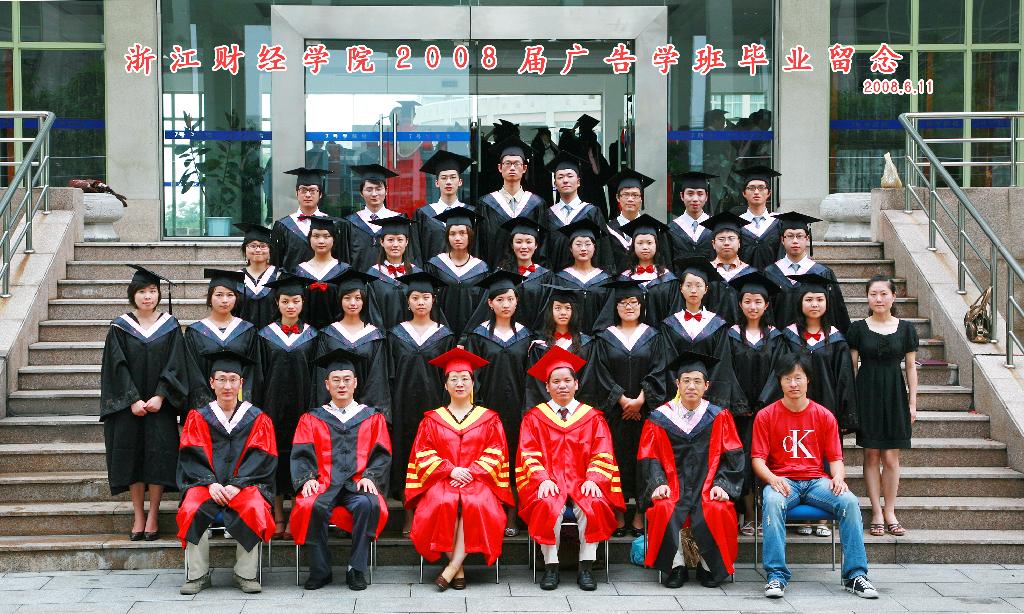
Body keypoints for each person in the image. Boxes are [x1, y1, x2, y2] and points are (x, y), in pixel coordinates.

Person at [751, 353, 879, 600]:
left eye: (798, 378)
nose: (793, 384)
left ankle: (855, 575)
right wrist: (772, 479)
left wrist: (838, 478)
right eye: (788, 379)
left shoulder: (823, 415)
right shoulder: (766, 415)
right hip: (783, 481)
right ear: (780, 382)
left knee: (849, 501)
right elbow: (758, 460)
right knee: (773, 501)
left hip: (816, 481)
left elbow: (836, 459)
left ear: (808, 380)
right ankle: (776, 575)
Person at [517, 346, 626, 591]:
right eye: (556, 382)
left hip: (583, 481)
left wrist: (594, 479)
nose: (562, 386)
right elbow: (527, 452)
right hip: (549, 481)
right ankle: (551, 567)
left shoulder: (593, 418)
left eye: (567, 381)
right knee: (547, 504)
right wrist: (542, 479)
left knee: (593, 503)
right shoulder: (534, 418)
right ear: (547, 387)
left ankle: (586, 567)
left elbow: (603, 452)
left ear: (576, 384)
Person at [406, 348, 514, 590]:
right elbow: (422, 452)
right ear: (445, 386)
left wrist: (472, 471)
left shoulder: (489, 418)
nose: (459, 383)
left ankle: (452, 568)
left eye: (465, 378)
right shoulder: (432, 419)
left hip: (479, 480)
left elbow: (497, 451)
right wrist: (450, 470)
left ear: (473, 383)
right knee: (443, 503)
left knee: (475, 503)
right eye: (453, 379)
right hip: (442, 479)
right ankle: (459, 569)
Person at [639, 351, 744, 588]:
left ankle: (708, 567)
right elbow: (649, 456)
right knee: (664, 507)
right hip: (673, 487)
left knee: (717, 508)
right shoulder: (659, 418)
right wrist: (658, 483)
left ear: (706, 386)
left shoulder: (719, 416)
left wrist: (722, 485)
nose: (691, 386)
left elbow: (733, 456)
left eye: (697, 381)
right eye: (686, 380)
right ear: (677, 384)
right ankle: (677, 567)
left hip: (707, 487)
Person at [289, 348, 392, 591]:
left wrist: (371, 476)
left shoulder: (372, 417)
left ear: (355, 383)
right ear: (327, 384)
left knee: (368, 503)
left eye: (347, 379)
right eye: (336, 380)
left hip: (357, 483)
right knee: (310, 505)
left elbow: (382, 453)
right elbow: (301, 452)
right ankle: (320, 570)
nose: (342, 385)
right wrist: (307, 478)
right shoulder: (312, 418)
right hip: (324, 483)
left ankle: (356, 569)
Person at [176, 350, 277, 595]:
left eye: (233, 380)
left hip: (244, 486)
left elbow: (263, 457)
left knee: (254, 506)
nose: (228, 386)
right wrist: (210, 483)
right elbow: (190, 455)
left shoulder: (257, 418)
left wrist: (238, 484)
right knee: (191, 507)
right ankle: (197, 575)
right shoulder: (198, 417)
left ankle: (245, 574)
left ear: (241, 383)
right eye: (221, 379)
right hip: (206, 486)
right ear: (212, 383)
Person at [100, 265, 188, 541]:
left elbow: (176, 364)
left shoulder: (170, 326)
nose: (147, 296)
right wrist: (133, 400)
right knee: (133, 459)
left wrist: (161, 396)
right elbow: (116, 366)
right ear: (133, 295)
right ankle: (138, 514)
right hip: (130, 409)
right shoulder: (119, 326)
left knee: (158, 459)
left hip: (160, 407)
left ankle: (153, 515)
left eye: (152, 291)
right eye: (142, 292)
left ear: (159, 294)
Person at [461, 270, 536, 536]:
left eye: (510, 299)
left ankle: (512, 515)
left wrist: (528, 409)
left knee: (515, 460)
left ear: (517, 302)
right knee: (488, 460)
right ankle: (488, 512)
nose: (506, 304)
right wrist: (476, 409)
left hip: (517, 409)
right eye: (500, 300)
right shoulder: (477, 336)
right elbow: (472, 377)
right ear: (490, 303)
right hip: (486, 410)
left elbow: (531, 378)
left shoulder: (527, 337)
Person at [592, 279, 668, 536]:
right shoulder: (604, 338)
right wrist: (622, 400)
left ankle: (639, 515)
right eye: (623, 302)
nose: (629, 306)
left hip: (645, 414)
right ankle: (618, 513)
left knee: (644, 461)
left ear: (641, 305)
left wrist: (640, 400)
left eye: (634, 302)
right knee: (615, 460)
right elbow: (600, 372)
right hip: (615, 414)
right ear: (615, 307)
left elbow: (659, 369)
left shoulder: (653, 336)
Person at [847, 275, 919, 537]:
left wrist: (912, 402)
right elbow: (852, 368)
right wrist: (851, 403)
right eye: (873, 294)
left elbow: (910, 367)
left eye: (883, 294)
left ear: (893, 297)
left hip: (895, 394)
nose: (878, 299)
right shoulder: (857, 329)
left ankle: (890, 511)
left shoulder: (906, 329)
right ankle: (876, 511)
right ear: (867, 297)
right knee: (871, 455)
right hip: (866, 394)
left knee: (890, 457)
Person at [386, 272, 456, 521]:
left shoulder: (445, 335)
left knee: (434, 454)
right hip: (402, 405)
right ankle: (408, 511)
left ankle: (433, 510)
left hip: (435, 406)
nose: (421, 302)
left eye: (426, 297)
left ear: (433, 300)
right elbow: (389, 374)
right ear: (408, 302)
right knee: (406, 453)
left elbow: (450, 377)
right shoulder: (396, 335)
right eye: (415, 297)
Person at [257, 273, 320, 539]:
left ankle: (296, 513)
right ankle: (278, 515)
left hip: (303, 408)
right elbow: (259, 376)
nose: (290, 306)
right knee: (275, 458)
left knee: (301, 456)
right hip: (272, 408)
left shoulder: (313, 336)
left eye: (295, 301)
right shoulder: (264, 336)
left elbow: (317, 376)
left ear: (303, 303)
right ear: (277, 303)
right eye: (285, 301)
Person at [725, 271, 787, 536]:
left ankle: (766, 513)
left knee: (768, 459)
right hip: (739, 413)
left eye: (758, 301)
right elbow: (726, 371)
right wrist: (739, 402)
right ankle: (749, 514)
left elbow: (778, 373)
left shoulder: (777, 337)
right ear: (740, 304)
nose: (753, 306)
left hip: (768, 411)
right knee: (743, 460)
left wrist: (764, 402)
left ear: (766, 305)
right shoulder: (730, 335)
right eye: (747, 301)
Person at [777, 273, 859, 435]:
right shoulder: (788, 337)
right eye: (808, 299)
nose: (814, 304)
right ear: (800, 303)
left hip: (828, 409)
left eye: (820, 300)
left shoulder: (837, 339)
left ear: (827, 303)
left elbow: (844, 379)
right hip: (793, 408)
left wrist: (845, 415)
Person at [655, 259, 741, 412]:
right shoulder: (670, 324)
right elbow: (667, 362)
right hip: (677, 398)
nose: (693, 290)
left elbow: (722, 365)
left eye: (698, 285)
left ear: (706, 289)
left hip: (709, 401)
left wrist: (706, 396)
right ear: (681, 288)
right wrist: (681, 392)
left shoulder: (717, 324)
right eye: (688, 285)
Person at [314, 269, 392, 418]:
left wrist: (366, 413)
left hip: (365, 414)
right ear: (340, 300)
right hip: (333, 412)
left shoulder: (374, 336)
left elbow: (377, 380)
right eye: (347, 298)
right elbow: (321, 376)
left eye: (358, 298)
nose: (352, 303)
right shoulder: (328, 334)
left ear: (364, 301)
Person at [183, 269, 262, 410]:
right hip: (204, 408)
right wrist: (208, 408)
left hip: (238, 406)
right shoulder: (195, 332)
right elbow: (192, 372)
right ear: (210, 297)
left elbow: (252, 372)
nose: (225, 300)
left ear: (236, 298)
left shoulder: (247, 331)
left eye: (230, 295)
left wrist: (241, 405)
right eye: (219, 295)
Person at [764, 212, 851, 333]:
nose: (795, 241)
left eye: (799, 236)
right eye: (790, 236)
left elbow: (835, 312)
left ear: (807, 239)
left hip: (814, 341)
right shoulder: (770, 273)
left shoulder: (822, 273)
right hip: (779, 340)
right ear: (782, 240)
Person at [524, 285, 601, 410]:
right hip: (548, 411)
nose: (563, 312)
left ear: (574, 311)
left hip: (577, 411)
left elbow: (588, 381)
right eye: (558, 308)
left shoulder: (587, 344)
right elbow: (536, 386)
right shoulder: (539, 346)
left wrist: (572, 407)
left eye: (567, 308)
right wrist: (553, 408)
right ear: (550, 311)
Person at [476, 137, 547, 270]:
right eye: (507, 163)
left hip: (529, 277)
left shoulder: (537, 204)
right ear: (499, 168)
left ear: (524, 168)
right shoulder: (486, 204)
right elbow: (480, 245)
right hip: (495, 276)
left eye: (517, 164)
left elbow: (543, 246)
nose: (512, 167)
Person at [541, 150, 613, 272]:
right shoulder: (548, 215)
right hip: (555, 280)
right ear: (555, 184)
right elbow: (543, 253)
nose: (565, 180)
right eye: (560, 177)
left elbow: (603, 250)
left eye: (570, 176)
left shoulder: (592, 212)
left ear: (578, 182)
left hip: (587, 280)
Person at [425, 207, 490, 337]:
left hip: (471, 336)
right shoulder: (435, 265)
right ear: (447, 236)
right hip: (439, 334)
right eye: (452, 234)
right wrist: (444, 333)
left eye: (462, 233)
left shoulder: (481, 268)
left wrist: (467, 336)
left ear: (470, 235)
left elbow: (483, 307)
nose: (457, 238)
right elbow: (430, 301)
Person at [339, 163, 416, 273]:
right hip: (358, 281)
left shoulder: (399, 220)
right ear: (361, 193)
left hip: (391, 281)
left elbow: (409, 256)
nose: (374, 194)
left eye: (378, 189)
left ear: (386, 190)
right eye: (369, 189)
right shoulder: (350, 223)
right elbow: (344, 259)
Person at [550, 218, 614, 335]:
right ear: (570, 248)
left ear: (594, 247)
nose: (583, 248)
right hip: (568, 339)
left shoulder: (606, 280)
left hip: (598, 340)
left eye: (588, 244)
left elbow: (608, 314)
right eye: (578, 244)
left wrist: (597, 338)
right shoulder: (560, 278)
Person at [618, 213, 680, 326]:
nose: (645, 247)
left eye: (649, 243)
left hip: (661, 335)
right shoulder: (623, 279)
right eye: (640, 243)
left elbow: (675, 316)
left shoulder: (669, 280)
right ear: (633, 246)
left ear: (657, 245)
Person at [414, 150, 475, 261]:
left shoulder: (471, 213)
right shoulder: (424, 214)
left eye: (453, 177)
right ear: (436, 183)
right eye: (443, 178)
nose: (448, 182)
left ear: (460, 182)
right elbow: (416, 251)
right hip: (431, 271)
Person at [293, 216, 351, 330]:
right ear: (309, 239)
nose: (321, 241)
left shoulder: (344, 270)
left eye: (326, 236)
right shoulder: (300, 270)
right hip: (305, 334)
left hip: (337, 333)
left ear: (334, 239)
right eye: (316, 236)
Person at [700, 212, 758, 325]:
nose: (726, 243)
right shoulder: (704, 272)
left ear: (739, 243)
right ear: (713, 244)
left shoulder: (751, 273)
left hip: (742, 332)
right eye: (721, 239)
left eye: (731, 238)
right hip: (710, 331)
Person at [270, 167, 333, 272]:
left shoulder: (332, 224)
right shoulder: (282, 226)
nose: (308, 195)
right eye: (303, 190)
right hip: (292, 281)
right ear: (297, 193)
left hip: (325, 281)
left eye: (312, 190)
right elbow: (275, 263)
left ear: (320, 194)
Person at [365, 214, 422, 330]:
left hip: (412, 337)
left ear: (406, 242)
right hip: (382, 335)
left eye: (400, 240)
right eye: (390, 240)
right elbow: (372, 313)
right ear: (382, 242)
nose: (395, 245)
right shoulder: (372, 275)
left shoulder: (417, 274)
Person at [496, 216, 551, 330]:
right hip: (506, 333)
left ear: (536, 246)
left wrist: (538, 335)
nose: (524, 247)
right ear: (512, 245)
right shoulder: (501, 273)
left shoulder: (546, 276)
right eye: (518, 242)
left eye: (529, 242)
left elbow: (547, 311)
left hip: (537, 335)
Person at [603, 167, 657, 275]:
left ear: (641, 198)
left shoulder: (653, 228)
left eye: (635, 195)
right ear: (618, 198)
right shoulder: (607, 230)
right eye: (626, 194)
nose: (630, 199)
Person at [233, 223, 281, 330]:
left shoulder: (280, 276)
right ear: (245, 249)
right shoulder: (236, 278)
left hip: (274, 335)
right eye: (253, 246)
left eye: (263, 246)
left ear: (270, 250)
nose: (258, 250)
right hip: (243, 335)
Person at [735, 165, 783, 270]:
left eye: (761, 188)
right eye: (751, 188)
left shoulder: (778, 222)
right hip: (744, 278)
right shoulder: (737, 223)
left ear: (769, 193)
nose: (756, 192)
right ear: (744, 193)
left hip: (773, 278)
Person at [667, 171, 718, 266]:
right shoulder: (671, 229)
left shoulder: (716, 226)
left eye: (700, 194)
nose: (695, 199)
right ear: (682, 196)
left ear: (706, 196)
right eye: (690, 194)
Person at [573, 114, 613, 221]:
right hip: (594, 181)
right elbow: (598, 166)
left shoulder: (578, 144)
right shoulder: (594, 144)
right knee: (597, 204)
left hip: (582, 181)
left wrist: (573, 130)